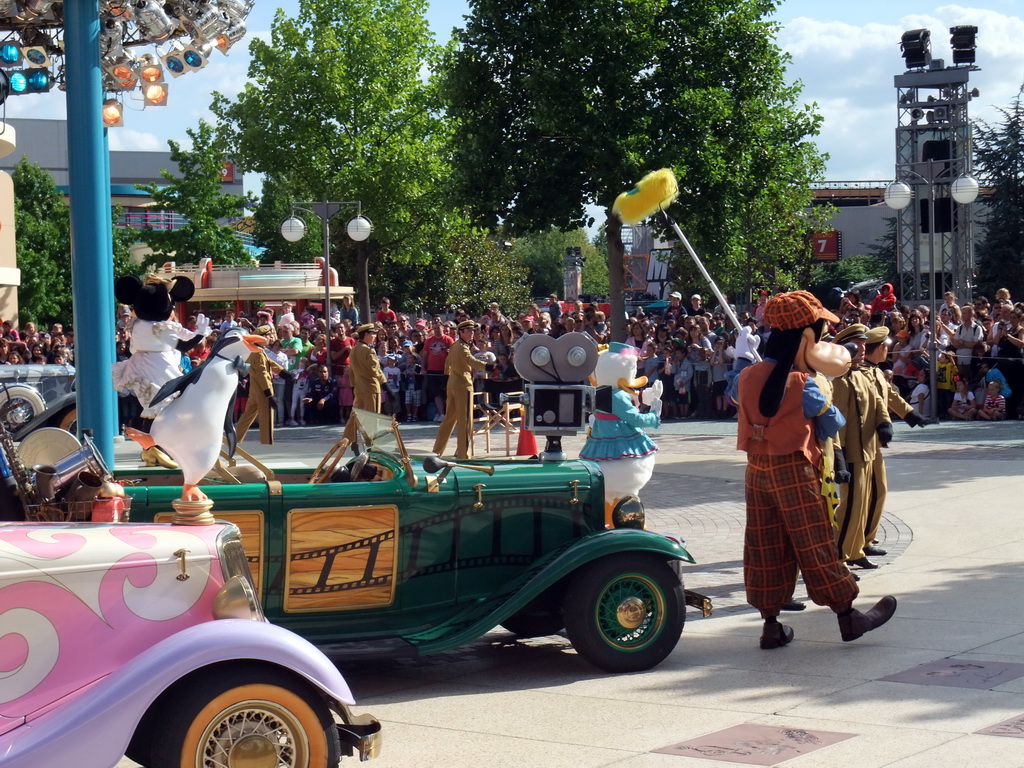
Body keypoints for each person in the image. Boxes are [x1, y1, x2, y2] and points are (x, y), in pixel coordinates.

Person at [732, 291, 896, 649]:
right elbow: (830, 424)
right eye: (820, 336)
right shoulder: (805, 385)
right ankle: (847, 616)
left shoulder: (745, 377)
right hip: (795, 469)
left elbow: (742, 402)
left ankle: (771, 625)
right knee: (815, 541)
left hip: (756, 472)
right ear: (806, 338)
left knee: (764, 543)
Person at [831, 324, 893, 572]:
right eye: (858, 345)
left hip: (866, 451)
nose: (862, 349)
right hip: (851, 454)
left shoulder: (859, 374)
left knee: (860, 507)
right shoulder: (840, 380)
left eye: (864, 345)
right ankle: (837, 559)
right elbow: (837, 422)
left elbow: (878, 401)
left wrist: (884, 422)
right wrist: (839, 457)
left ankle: (855, 551)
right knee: (849, 509)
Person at [432, 320, 495, 460]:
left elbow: (447, 363)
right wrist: (489, 367)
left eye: (472, 331)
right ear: (461, 332)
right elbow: (470, 361)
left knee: (449, 419)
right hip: (463, 385)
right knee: (465, 421)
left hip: (452, 384)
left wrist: (446, 377)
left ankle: (437, 451)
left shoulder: (455, 345)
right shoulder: (462, 347)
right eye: (469, 331)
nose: (472, 333)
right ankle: (463, 454)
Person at [235, 325, 285, 445]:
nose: (271, 337)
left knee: (247, 416)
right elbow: (263, 373)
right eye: (269, 335)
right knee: (267, 418)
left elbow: (269, 363)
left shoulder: (256, 350)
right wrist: (268, 393)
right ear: (261, 337)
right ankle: (267, 443)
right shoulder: (258, 353)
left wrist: (283, 372)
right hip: (263, 390)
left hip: (255, 390)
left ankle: (234, 439)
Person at [342, 323, 388, 447]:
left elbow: (351, 371)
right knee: (372, 418)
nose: (374, 336)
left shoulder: (354, 350)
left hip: (359, 389)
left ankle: (348, 440)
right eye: (372, 333)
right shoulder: (369, 350)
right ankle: (371, 444)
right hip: (371, 388)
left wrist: (353, 386)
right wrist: (385, 384)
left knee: (355, 417)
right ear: (366, 334)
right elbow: (375, 370)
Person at [423, 316, 454, 421]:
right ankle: (441, 413)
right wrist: (424, 368)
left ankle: (445, 412)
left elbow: (454, 354)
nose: (436, 330)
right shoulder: (429, 340)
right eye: (434, 328)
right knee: (435, 393)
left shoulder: (448, 340)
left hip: (445, 371)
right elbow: (425, 355)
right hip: (432, 370)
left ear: (442, 328)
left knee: (445, 393)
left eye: (438, 328)